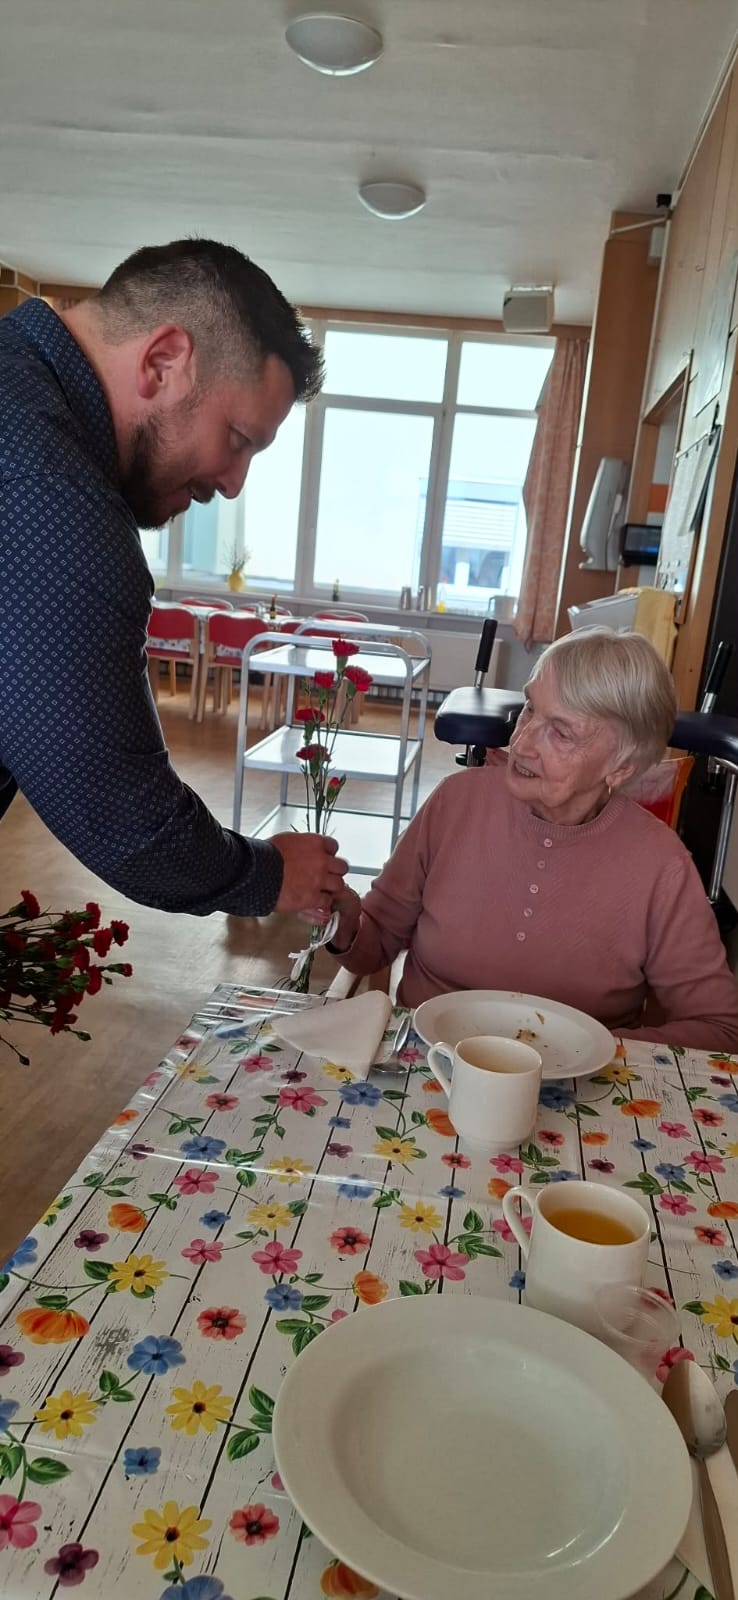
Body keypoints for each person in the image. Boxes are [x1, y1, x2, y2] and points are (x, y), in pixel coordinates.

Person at [0, 239, 347, 919]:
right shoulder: (56, 502)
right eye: (239, 438)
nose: (233, 483)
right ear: (163, 361)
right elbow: (131, 823)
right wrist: (269, 875)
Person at [327, 629, 738, 1050]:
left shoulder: (660, 864)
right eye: (529, 709)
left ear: (620, 767)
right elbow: (374, 944)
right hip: (426, 1062)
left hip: (580, 1084)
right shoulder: (456, 802)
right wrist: (341, 918)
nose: (521, 743)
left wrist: (584, 1052)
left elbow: (720, 1028)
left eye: (561, 733)